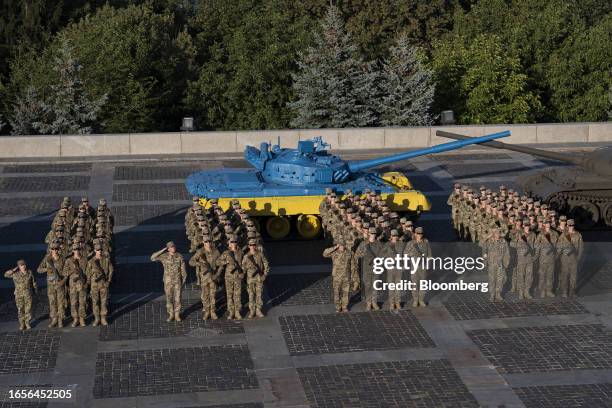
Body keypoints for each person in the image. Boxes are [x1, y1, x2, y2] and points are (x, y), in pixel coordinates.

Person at [151, 241, 187, 322]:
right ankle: (171, 314)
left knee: (178, 298)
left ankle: (177, 314)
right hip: (168, 281)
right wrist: (162, 250)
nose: (173, 248)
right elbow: (152, 258)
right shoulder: (164, 256)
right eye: (171, 247)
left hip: (177, 281)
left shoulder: (179, 256)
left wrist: (184, 280)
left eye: (174, 246)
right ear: (168, 249)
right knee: (169, 298)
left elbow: (183, 269)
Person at [189, 236, 222, 320]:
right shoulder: (200, 252)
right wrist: (200, 264)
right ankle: (207, 311)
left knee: (213, 295)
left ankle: (213, 312)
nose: (208, 243)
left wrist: (217, 274)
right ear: (203, 242)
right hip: (204, 277)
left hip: (213, 277)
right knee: (205, 295)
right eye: (206, 241)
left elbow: (221, 264)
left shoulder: (216, 251)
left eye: (209, 241)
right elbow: (191, 262)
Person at [37, 245, 66, 328]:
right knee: (52, 302)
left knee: (61, 302)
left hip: (60, 283)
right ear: (50, 249)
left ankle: (60, 320)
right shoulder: (47, 259)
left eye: (56, 249)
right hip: (51, 285)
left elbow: (66, 270)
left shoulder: (62, 258)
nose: (55, 250)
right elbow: (39, 269)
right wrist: (46, 269)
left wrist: (63, 280)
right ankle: (54, 319)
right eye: (53, 249)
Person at [216, 236, 245, 320]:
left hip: (238, 276)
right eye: (232, 242)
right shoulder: (226, 253)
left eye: (235, 242)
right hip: (228, 276)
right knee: (229, 294)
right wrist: (226, 262)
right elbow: (218, 262)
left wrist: (243, 273)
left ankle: (237, 312)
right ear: (229, 243)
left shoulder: (241, 252)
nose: (233, 243)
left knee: (237, 294)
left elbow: (244, 263)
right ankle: (231, 312)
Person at [4, 260, 37, 330]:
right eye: (21, 265)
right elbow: (6, 275)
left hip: (28, 294)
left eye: (24, 265)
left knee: (28, 309)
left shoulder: (29, 272)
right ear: (19, 266)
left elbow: (33, 282)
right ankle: (22, 324)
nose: (23, 266)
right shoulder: (15, 274)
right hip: (19, 295)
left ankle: (27, 323)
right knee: (20, 309)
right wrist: (13, 270)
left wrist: (35, 291)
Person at [86, 244, 113, 326]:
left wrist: (108, 280)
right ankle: (97, 318)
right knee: (95, 302)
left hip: (104, 284)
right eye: (97, 250)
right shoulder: (91, 261)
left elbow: (111, 270)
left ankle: (103, 318)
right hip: (94, 284)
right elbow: (88, 273)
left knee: (104, 301)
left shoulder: (106, 260)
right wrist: (88, 282)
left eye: (100, 250)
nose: (99, 251)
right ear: (95, 251)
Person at [242, 239, 270, 318]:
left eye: (254, 245)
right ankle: (252, 311)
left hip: (259, 278)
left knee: (259, 295)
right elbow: (243, 267)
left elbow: (266, 264)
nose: (252, 246)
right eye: (251, 245)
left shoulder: (260, 254)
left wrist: (265, 275)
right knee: (251, 295)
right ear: (248, 246)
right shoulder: (246, 256)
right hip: (250, 279)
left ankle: (258, 310)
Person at [556, 219, 583, 297]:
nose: (571, 227)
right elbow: (559, 246)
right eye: (570, 225)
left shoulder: (578, 235)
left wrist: (578, 258)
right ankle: (564, 291)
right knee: (565, 275)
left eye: (572, 225)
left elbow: (581, 248)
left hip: (574, 258)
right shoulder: (563, 235)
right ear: (567, 226)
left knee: (573, 276)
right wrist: (558, 256)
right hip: (565, 258)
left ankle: (572, 291)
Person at [481, 227, 510, 301]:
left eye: (499, 233)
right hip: (491, 264)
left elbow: (507, 253)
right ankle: (492, 294)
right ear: (493, 234)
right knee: (492, 280)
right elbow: (484, 251)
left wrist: (506, 263)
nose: (498, 234)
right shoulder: (488, 241)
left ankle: (498, 294)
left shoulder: (503, 241)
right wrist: (485, 262)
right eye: (496, 233)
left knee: (500, 280)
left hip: (500, 264)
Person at [323, 240, 352, 312]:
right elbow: (324, 253)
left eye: (343, 245)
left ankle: (344, 306)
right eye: (340, 245)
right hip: (337, 276)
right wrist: (334, 248)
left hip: (346, 275)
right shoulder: (334, 253)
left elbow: (352, 265)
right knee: (336, 292)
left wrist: (353, 276)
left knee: (346, 292)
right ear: (338, 245)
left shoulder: (349, 253)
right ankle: (338, 307)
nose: (342, 246)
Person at [62, 245, 88, 327]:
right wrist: (72, 271)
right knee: (73, 303)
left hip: (82, 284)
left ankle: (82, 318)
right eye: (75, 249)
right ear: (72, 250)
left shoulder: (84, 259)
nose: (76, 250)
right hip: (73, 285)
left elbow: (88, 271)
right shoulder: (69, 261)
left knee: (82, 302)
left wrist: (87, 281)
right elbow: (64, 273)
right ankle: (75, 319)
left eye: (78, 249)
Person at [406, 227, 431, 307]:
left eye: (421, 233)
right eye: (418, 233)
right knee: (414, 284)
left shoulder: (426, 242)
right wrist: (412, 255)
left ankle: (421, 300)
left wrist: (428, 264)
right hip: (414, 266)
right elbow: (405, 254)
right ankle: (415, 300)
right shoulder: (410, 243)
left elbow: (429, 253)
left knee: (422, 283)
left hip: (423, 265)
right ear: (415, 234)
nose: (420, 235)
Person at [385, 230, 406, 309]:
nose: (394, 237)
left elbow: (404, 255)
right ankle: (391, 302)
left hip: (399, 267)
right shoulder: (387, 245)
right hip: (390, 267)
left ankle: (397, 302)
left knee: (398, 286)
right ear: (391, 236)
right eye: (393, 235)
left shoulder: (401, 244)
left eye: (396, 235)